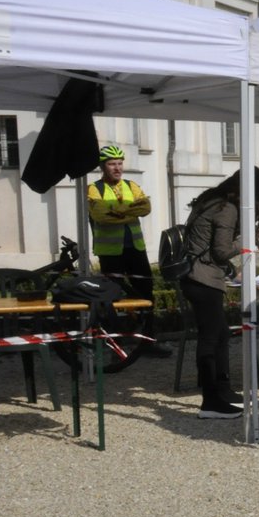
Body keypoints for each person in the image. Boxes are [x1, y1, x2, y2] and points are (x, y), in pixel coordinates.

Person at [180, 168, 259, 419]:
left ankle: (222, 391)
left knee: (219, 335)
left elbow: (204, 244)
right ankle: (210, 401)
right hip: (203, 279)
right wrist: (244, 241)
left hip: (196, 277)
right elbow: (220, 251)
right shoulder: (226, 209)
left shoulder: (211, 201)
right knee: (211, 338)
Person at [86, 144, 171, 357]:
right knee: (112, 298)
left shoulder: (131, 185)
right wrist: (129, 211)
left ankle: (149, 342)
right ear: (102, 167)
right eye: (112, 164)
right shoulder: (94, 189)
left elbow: (146, 207)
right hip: (109, 253)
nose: (117, 168)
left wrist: (116, 210)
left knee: (146, 295)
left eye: (120, 163)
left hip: (135, 248)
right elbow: (100, 215)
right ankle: (116, 346)